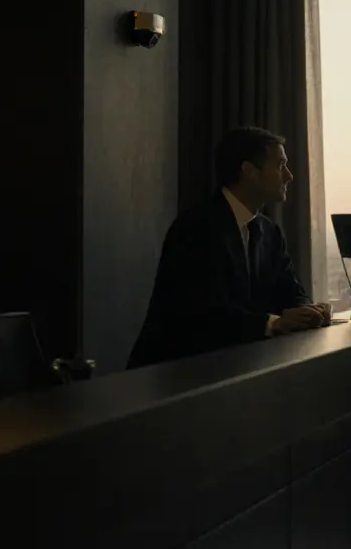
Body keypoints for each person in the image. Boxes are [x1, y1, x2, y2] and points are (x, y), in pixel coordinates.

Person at [127, 126, 331, 369]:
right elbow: (202, 314)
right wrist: (274, 323)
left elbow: (290, 290)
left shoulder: (270, 232)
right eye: (280, 165)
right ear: (249, 171)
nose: (289, 175)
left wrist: (308, 312)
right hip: (174, 377)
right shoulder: (195, 227)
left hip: (236, 371)